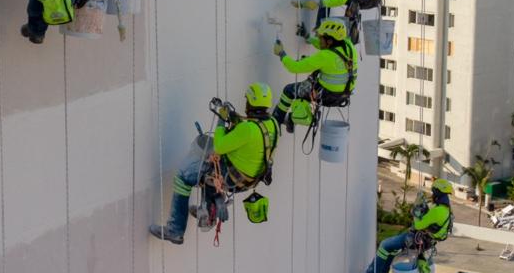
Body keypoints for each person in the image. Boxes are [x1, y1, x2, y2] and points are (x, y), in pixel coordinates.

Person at [149, 83, 280, 244]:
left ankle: (175, 229)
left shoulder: (248, 129)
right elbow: (250, 137)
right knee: (209, 169)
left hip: (231, 177)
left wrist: (221, 120)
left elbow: (220, 145)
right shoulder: (273, 124)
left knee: (184, 176)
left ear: (251, 102)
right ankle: (208, 211)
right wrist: (234, 118)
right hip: (249, 180)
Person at [353, 178, 454, 273]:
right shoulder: (445, 209)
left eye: (434, 192)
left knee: (384, 245)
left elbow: (418, 225)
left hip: (418, 239)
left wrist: (416, 213)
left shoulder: (438, 211)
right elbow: (430, 220)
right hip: (426, 241)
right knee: (391, 249)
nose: (432, 195)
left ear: (437, 194)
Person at [271, 18, 359, 132]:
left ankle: (276, 121)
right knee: (310, 81)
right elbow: (325, 47)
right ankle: (291, 120)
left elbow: (294, 67)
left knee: (289, 90)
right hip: (344, 94)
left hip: (326, 95)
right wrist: (308, 38)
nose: (319, 39)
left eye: (321, 37)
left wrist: (281, 53)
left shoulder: (325, 56)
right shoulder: (349, 46)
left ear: (330, 41)